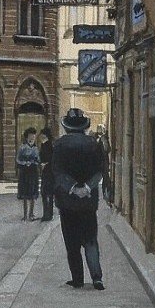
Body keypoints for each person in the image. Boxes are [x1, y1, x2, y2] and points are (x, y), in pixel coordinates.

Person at [52, 108, 106, 290]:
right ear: (84, 126)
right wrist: (87, 187)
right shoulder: (94, 144)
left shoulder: (59, 145)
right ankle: (97, 278)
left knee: (72, 243)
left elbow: (57, 172)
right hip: (88, 203)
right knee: (91, 240)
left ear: (66, 127)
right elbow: (100, 171)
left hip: (67, 203)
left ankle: (78, 279)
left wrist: (73, 187)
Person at [16, 128, 41, 221]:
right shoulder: (22, 148)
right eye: (30, 136)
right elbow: (18, 160)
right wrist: (24, 163)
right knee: (25, 194)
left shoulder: (36, 148)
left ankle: (31, 214)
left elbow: (38, 160)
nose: (32, 138)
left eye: (33, 136)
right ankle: (25, 215)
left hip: (33, 172)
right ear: (26, 137)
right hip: (24, 173)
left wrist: (34, 162)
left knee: (32, 193)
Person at [38, 126, 55, 221]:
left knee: (46, 193)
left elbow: (50, 158)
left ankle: (47, 214)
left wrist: (44, 164)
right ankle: (48, 213)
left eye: (42, 134)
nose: (40, 136)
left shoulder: (47, 145)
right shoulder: (46, 144)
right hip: (47, 171)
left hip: (48, 171)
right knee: (48, 193)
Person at [96, 124, 113, 206]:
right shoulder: (103, 139)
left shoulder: (98, 139)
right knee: (106, 179)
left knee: (105, 179)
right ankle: (107, 196)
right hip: (103, 162)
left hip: (100, 162)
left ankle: (105, 195)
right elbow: (107, 149)